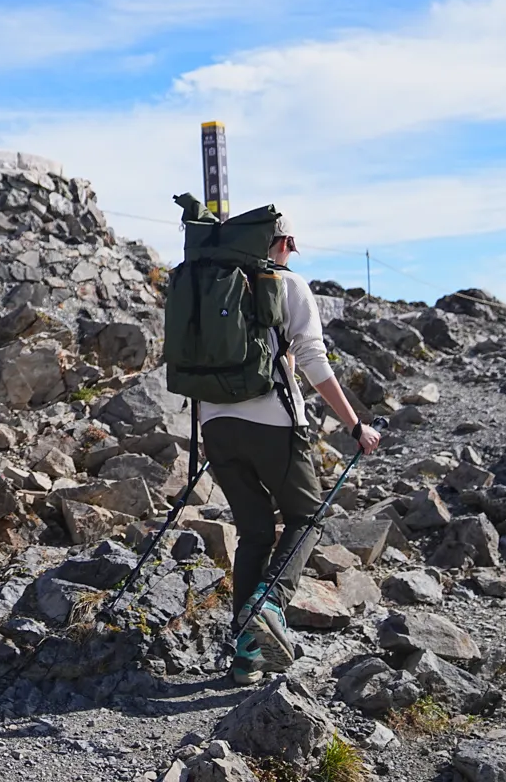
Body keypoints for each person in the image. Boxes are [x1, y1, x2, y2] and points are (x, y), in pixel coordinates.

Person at [200, 213, 381, 685]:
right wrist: (356, 424)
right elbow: (313, 362)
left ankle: (246, 656)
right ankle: (270, 604)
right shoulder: (286, 284)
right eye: (289, 245)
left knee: (255, 532)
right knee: (308, 516)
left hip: (214, 426)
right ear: (283, 242)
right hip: (274, 424)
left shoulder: (202, 287)